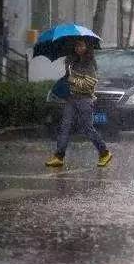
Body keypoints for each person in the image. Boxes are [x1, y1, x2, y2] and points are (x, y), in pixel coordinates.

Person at [45, 39, 112, 168]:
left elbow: (90, 83)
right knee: (65, 126)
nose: (78, 48)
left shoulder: (89, 64)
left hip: (84, 99)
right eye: (76, 45)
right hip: (71, 99)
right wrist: (68, 72)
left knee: (87, 128)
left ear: (87, 47)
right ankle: (59, 156)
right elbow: (69, 78)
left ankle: (104, 153)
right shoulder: (72, 61)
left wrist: (72, 80)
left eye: (81, 45)